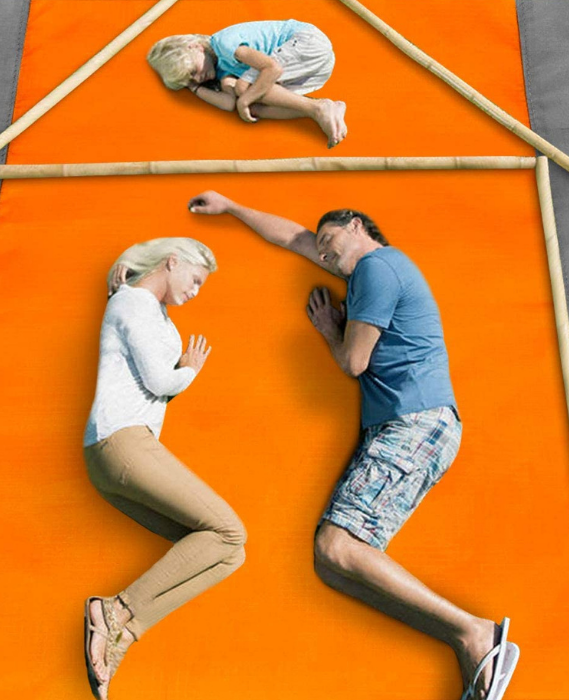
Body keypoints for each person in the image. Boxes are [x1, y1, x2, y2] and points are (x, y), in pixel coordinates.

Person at [185, 192, 520, 700]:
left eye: (329, 242)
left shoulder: (379, 268)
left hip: (415, 421)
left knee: (337, 546)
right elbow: (292, 235)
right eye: (320, 250)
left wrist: (329, 331)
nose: (322, 255)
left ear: (357, 225)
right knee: (333, 566)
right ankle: (465, 639)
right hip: (401, 427)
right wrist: (232, 207)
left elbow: (354, 362)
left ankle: (478, 634)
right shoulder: (365, 273)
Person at [82, 238, 246, 700]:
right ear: (172, 262)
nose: (197, 290)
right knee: (230, 532)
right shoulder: (134, 303)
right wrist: (189, 369)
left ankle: (123, 635)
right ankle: (116, 609)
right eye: (195, 279)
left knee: (228, 554)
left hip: (124, 447)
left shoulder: (144, 309)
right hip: (123, 441)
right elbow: (160, 380)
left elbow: (150, 374)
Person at [146, 19, 349, 148]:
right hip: (311, 68)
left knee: (245, 91)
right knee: (253, 105)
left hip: (306, 42)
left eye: (193, 72)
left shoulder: (225, 44)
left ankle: (318, 108)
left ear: (196, 47)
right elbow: (228, 103)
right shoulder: (222, 71)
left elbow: (272, 69)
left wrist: (244, 101)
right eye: (190, 80)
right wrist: (194, 88)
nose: (198, 77)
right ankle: (320, 109)